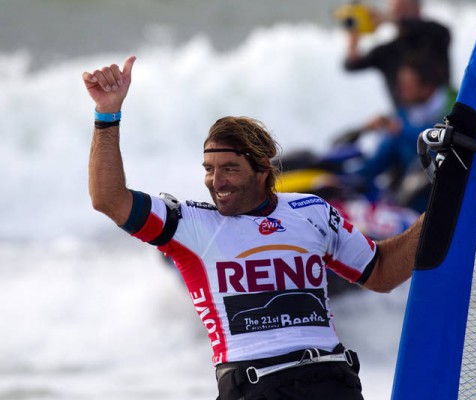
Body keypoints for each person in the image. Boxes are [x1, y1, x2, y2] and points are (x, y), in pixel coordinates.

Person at [83, 56, 423, 400]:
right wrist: (107, 115)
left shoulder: (312, 210)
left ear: (262, 170)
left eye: (229, 168)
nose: (216, 181)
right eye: (209, 169)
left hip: (332, 381)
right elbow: (109, 199)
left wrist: (442, 207)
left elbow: (381, 272)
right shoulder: (190, 224)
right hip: (256, 387)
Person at [344, 53, 456, 210]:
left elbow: (442, 142)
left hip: (450, 200)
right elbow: (377, 162)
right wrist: (343, 179)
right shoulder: (402, 115)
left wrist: (400, 130)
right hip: (414, 208)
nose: (400, 91)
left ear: (427, 88)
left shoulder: (457, 108)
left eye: (406, 86)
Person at [342, 0, 451, 107]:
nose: (398, 14)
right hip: (405, 116)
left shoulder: (435, 36)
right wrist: (353, 36)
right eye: (395, 10)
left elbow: (438, 31)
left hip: (446, 110)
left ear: (417, 9)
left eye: (403, 9)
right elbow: (352, 65)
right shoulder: (387, 51)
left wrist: (388, 19)